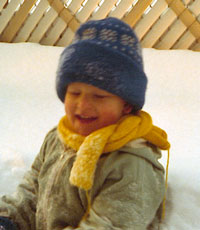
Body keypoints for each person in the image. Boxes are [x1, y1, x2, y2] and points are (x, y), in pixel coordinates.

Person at [0, 17, 170, 230]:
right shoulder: (58, 138)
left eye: (98, 96)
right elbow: (32, 190)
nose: (82, 105)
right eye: (75, 93)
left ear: (126, 105)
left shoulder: (131, 165)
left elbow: (108, 225)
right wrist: (8, 219)